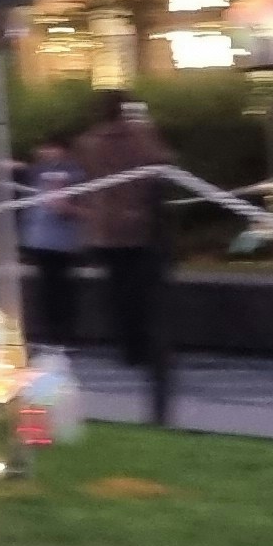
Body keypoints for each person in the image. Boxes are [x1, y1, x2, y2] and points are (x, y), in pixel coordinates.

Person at [69, 89, 174, 415]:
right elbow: (164, 161)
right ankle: (146, 351)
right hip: (140, 228)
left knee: (117, 292)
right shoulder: (141, 135)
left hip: (104, 231)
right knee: (145, 294)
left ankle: (128, 349)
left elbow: (85, 170)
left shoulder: (88, 142)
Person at [21, 137, 86, 351]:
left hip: (62, 243)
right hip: (40, 241)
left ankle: (64, 336)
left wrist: (65, 207)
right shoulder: (39, 170)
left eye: (50, 148)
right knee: (47, 290)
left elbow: (72, 207)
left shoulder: (73, 173)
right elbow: (17, 168)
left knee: (61, 290)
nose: (44, 152)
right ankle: (50, 335)